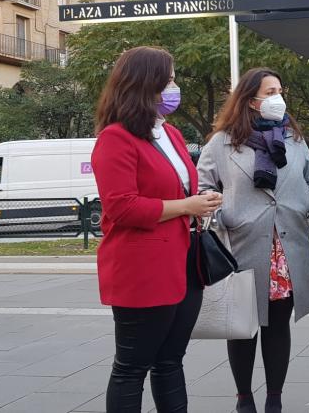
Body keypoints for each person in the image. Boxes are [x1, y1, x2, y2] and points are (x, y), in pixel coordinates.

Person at [91, 46, 222, 412]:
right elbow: (121, 206)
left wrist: (202, 201)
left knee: (170, 361)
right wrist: (186, 206)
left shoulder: (171, 134)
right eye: (169, 79)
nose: (174, 86)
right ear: (145, 83)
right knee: (132, 368)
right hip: (142, 269)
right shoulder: (116, 138)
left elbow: (178, 188)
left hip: (184, 262)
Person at [196, 67, 309, 413]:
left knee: (278, 328)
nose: (277, 98)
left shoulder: (293, 139)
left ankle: (274, 399)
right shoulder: (221, 142)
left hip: (286, 246)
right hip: (242, 246)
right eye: (270, 92)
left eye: (280, 90)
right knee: (243, 328)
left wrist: (305, 203)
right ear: (251, 99)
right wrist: (226, 216)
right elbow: (203, 188)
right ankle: (244, 397)